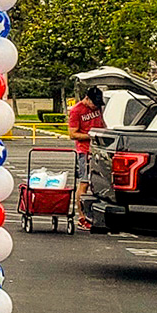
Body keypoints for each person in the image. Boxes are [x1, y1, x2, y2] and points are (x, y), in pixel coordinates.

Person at [68, 85, 105, 229]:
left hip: (100, 150)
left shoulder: (100, 108)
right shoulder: (77, 111)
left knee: (100, 183)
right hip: (85, 151)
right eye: (94, 103)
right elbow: (72, 134)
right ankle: (82, 216)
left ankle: (95, 215)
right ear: (87, 99)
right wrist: (91, 136)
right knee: (84, 182)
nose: (96, 107)